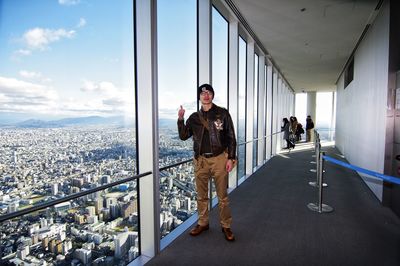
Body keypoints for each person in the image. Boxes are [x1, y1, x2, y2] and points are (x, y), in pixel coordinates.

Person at [177, 83, 237, 242]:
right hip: (201, 160)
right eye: (202, 93)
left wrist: (231, 157)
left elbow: (231, 136)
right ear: (199, 97)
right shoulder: (194, 118)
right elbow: (183, 136)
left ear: (212, 95)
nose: (205, 95)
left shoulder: (222, 113)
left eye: (208, 92)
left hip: (219, 158)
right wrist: (181, 118)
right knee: (201, 195)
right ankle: (203, 223)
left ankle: (226, 226)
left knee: (222, 196)